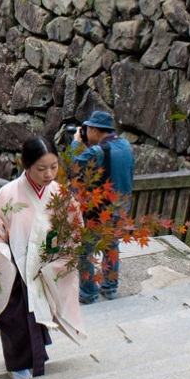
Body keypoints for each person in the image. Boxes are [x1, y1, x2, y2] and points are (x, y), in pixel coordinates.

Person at [0, 136, 85, 379]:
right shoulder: (8, 194)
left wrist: (56, 253)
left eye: (54, 167)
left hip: (44, 267)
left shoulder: (60, 195)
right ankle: (19, 368)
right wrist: (7, 257)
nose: (49, 174)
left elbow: (72, 230)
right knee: (15, 319)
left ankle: (36, 360)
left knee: (36, 316)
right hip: (12, 269)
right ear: (26, 165)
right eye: (41, 168)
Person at [71, 111, 134, 304]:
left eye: (87, 128)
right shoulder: (126, 146)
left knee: (84, 252)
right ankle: (110, 287)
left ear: (95, 130)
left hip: (99, 212)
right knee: (111, 246)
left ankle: (89, 293)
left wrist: (76, 142)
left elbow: (73, 166)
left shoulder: (98, 152)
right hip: (121, 209)